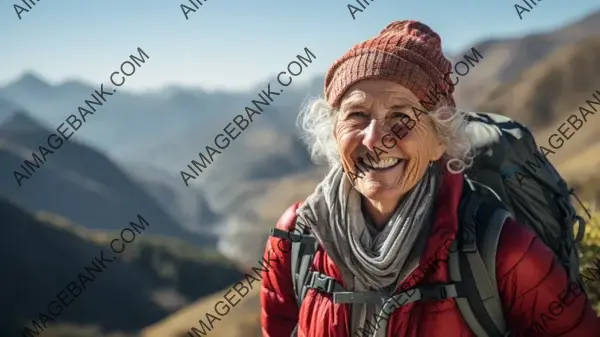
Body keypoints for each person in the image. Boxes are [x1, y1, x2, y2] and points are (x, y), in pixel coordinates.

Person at [259, 20, 600, 337]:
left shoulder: (500, 249)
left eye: (401, 117)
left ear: (440, 141)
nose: (375, 139)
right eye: (357, 115)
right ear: (334, 133)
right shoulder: (296, 237)